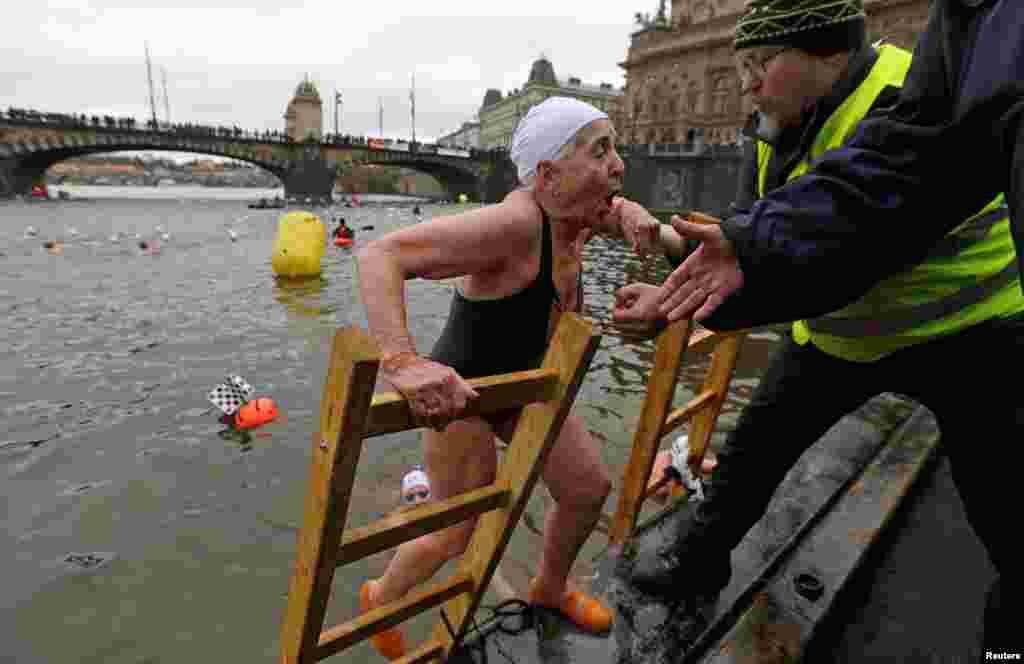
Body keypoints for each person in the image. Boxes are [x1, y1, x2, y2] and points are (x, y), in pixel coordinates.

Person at [613, 0, 1024, 652]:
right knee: (749, 458)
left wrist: (702, 291)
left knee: (1008, 513)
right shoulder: (773, 124)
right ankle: (696, 559)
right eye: (740, 66)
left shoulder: (898, 86)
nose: (746, 83)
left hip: (968, 332)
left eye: (761, 64)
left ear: (827, 53)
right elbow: (749, 243)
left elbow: (845, 257)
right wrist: (679, 281)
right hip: (839, 337)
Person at [354, 96, 659, 660]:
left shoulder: (574, 212)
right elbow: (381, 255)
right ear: (547, 175)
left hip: (526, 388)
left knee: (587, 490)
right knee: (455, 530)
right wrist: (401, 361)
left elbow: (610, 209)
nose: (619, 164)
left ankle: (549, 586)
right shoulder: (514, 223)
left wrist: (631, 212)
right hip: (465, 394)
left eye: (615, 148)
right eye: (601, 151)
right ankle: (379, 597)